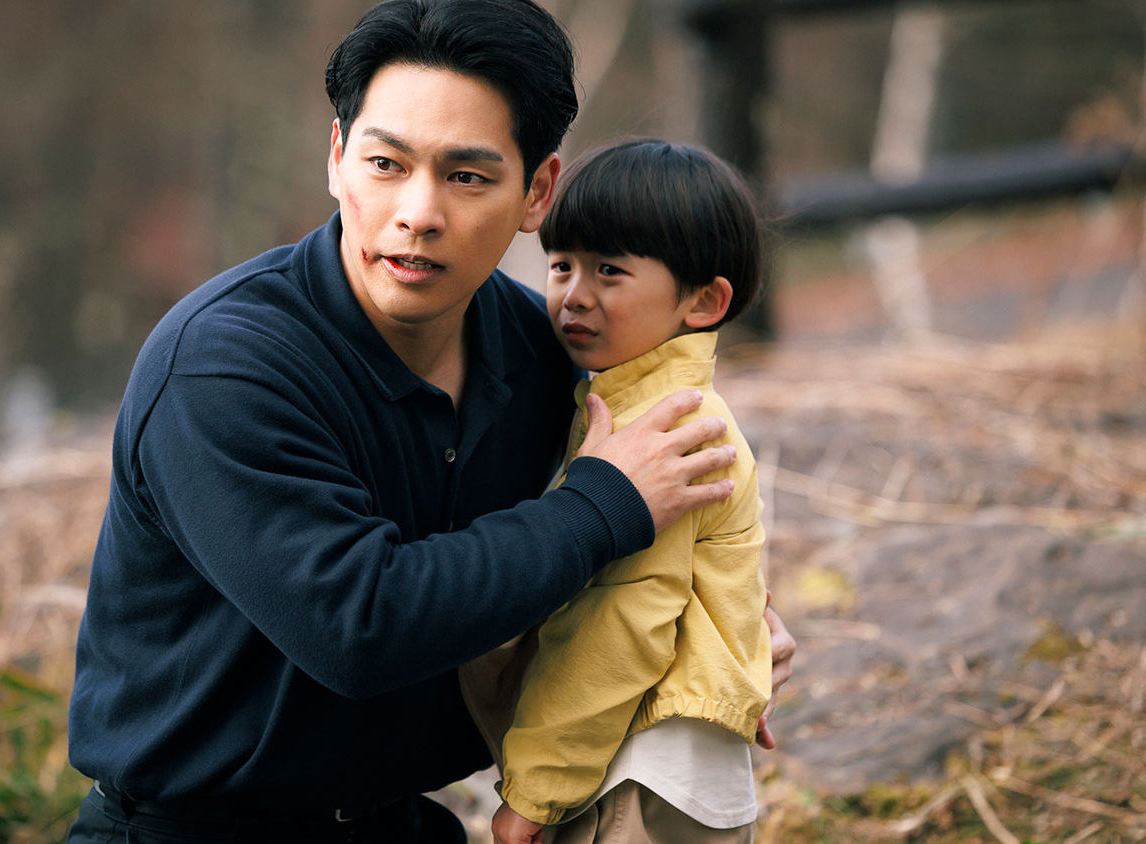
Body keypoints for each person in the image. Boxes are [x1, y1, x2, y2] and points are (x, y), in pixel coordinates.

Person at [64, 2, 794, 842]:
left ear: (537, 193)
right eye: (385, 163)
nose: (418, 212)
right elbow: (358, 627)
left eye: (467, 177)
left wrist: (717, 633)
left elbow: (595, 575)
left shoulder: (544, 356)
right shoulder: (225, 366)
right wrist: (602, 506)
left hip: (401, 822)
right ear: (336, 159)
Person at [479, 140, 776, 844]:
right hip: (645, 755)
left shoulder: (667, 434)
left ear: (703, 301)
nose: (574, 295)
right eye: (562, 265)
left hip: (642, 766)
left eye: (609, 270)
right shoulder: (629, 401)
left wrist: (536, 791)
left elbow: (620, 623)